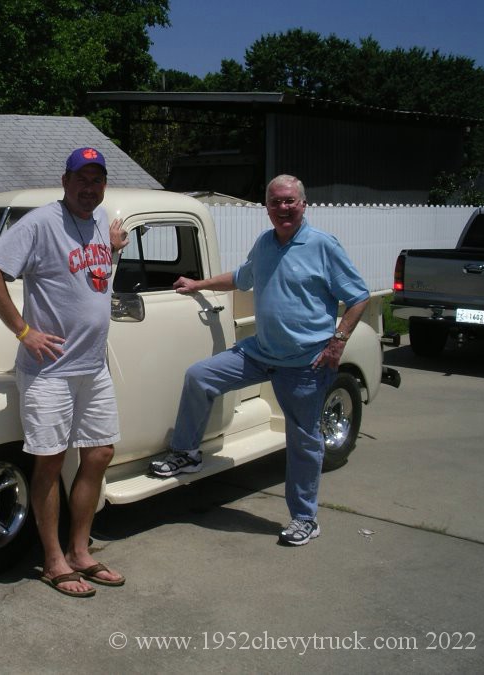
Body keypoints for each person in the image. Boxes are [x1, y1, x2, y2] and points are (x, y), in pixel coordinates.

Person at [150, 174, 370, 546]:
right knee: (200, 376)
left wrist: (337, 343)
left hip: (305, 362)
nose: (282, 208)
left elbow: (359, 296)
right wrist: (197, 285)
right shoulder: (265, 243)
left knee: (302, 439)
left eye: (289, 201)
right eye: (275, 202)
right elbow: (242, 277)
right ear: (266, 207)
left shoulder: (322, 245)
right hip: (261, 351)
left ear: (303, 204)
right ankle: (187, 454)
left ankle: (305, 518)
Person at [0, 147, 129, 596]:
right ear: (65, 182)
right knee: (50, 461)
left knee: (99, 453)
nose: (89, 187)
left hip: (92, 367)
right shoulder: (42, 222)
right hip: (49, 370)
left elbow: (91, 278)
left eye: (97, 179)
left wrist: (112, 249)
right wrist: (24, 332)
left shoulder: (100, 222)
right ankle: (53, 561)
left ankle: (81, 551)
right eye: (82, 179)